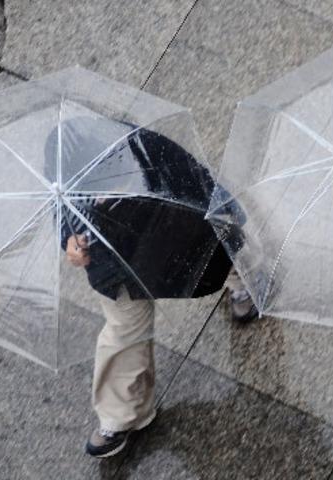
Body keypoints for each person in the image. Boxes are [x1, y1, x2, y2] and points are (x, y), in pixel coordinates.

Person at [48, 118, 233, 458]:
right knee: (122, 332)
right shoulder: (63, 162)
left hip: (170, 233)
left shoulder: (144, 149)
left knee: (220, 254)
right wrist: (70, 243)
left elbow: (198, 189)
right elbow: (60, 212)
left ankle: (246, 281)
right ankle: (121, 417)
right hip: (114, 266)